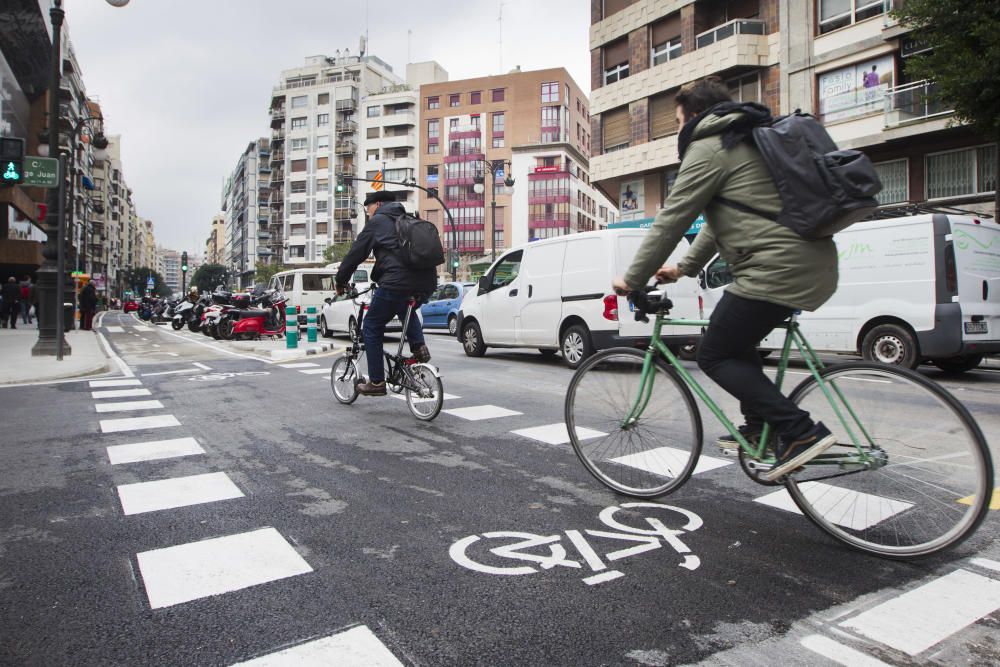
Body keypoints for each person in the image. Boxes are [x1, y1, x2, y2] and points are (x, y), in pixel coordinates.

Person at [611, 76, 839, 481]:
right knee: (735, 338)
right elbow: (721, 223)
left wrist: (632, 278)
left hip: (776, 268)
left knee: (712, 353)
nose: (678, 131)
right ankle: (759, 427)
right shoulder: (746, 141)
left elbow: (673, 217)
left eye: (679, 121)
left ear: (695, 116)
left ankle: (799, 432)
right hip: (805, 260)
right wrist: (682, 268)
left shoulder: (709, 147)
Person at [335, 190, 436, 396]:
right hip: (425, 282)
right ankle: (419, 348)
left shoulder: (378, 222)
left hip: (395, 281)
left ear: (378, 204)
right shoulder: (408, 219)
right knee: (404, 306)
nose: (368, 213)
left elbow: (356, 254)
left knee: (371, 325)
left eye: (368, 208)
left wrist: (340, 281)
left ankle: (377, 382)